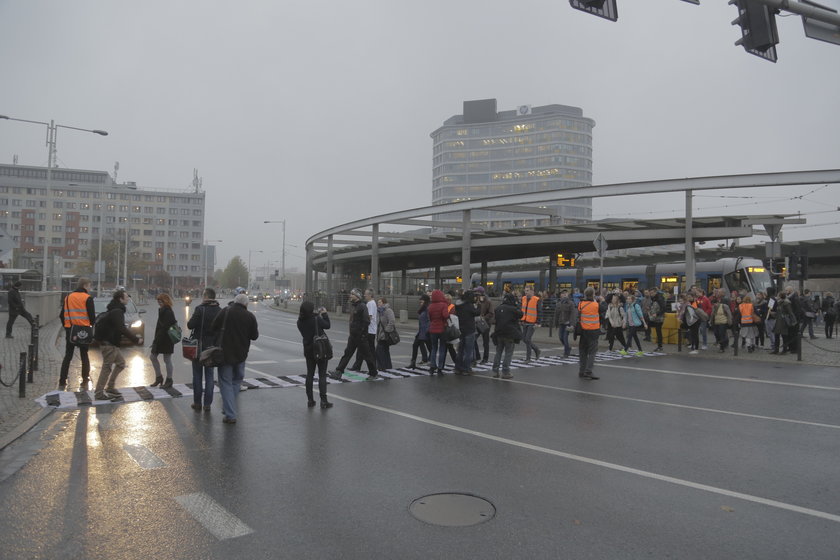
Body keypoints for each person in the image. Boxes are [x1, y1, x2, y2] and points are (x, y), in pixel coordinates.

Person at [212, 293, 259, 423]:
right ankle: (228, 408)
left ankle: (230, 413)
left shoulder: (226, 311)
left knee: (225, 382)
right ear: (246, 304)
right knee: (236, 382)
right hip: (241, 355)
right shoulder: (250, 316)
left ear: (235, 301)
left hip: (224, 354)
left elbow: (213, 326)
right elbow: (254, 336)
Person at [92, 289, 142, 401]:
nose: (128, 298)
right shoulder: (117, 311)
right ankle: (99, 393)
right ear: (120, 299)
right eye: (126, 297)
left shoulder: (115, 310)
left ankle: (110, 387)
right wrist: (135, 339)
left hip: (111, 343)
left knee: (120, 363)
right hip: (108, 344)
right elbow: (121, 328)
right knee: (107, 367)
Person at [329, 288, 378, 380]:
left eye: (352, 294)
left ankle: (373, 373)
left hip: (361, 336)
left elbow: (366, 321)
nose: (350, 296)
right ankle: (339, 371)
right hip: (353, 336)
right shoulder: (354, 306)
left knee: (367, 355)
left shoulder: (362, 306)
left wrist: (362, 333)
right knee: (347, 353)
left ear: (357, 296)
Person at [187, 288, 222, 411]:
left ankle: (197, 403)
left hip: (199, 348)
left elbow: (190, 325)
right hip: (213, 348)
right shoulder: (219, 310)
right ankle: (207, 404)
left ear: (206, 296)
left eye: (203, 295)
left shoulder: (200, 309)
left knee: (197, 375)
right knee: (209, 376)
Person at [59, 277, 96, 389]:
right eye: (89, 285)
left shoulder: (68, 297)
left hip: (71, 331)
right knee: (84, 356)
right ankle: (85, 380)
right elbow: (92, 318)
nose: (90, 288)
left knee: (68, 356)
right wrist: (89, 326)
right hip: (83, 331)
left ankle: (62, 380)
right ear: (85, 285)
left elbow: (61, 315)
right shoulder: (88, 298)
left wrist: (67, 327)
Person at [297, 301, 333, 409]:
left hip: (308, 350)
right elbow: (327, 325)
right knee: (322, 375)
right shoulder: (316, 319)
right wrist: (324, 314)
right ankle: (324, 401)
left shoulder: (299, 321)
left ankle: (310, 400)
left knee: (310, 375)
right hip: (320, 349)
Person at [491, 292, 523, 379]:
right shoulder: (513, 308)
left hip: (499, 333)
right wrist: (517, 305)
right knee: (508, 353)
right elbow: (521, 315)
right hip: (510, 334)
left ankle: (495, 371)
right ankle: (505, 372)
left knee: (498, 352)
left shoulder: (498, 308)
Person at [150, 293, 178, 388]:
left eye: (161, 301)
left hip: (166, 339)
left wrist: (156, 340)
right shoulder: (162, 310)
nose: (159, 303)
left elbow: (164, 328)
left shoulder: (168, 312)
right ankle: (159, 377)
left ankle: (169, 379)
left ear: (165, 301)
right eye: (158, 301)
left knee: (167, 359)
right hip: (161, 338)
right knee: (153, 357)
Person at [350, 288, 378, 372]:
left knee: (368, 351)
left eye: (366, 294)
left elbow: (368, 317)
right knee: (362, 349)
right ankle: (357, 366)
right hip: (370, 330)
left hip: (369, 330)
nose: (364, 295)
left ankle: (373, 368)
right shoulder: (371, 303)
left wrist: (361, 325)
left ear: (370, 295)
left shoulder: (370, 304)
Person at [577, 287, 601, 380]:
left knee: (582, 351)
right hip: (593, 331)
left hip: (583, 330)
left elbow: (579, 314)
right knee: (592, 352)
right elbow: (603, 308)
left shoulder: (580, 304)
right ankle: (588, 371)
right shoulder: (596, 305)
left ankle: (581, 371)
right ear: (593, 295)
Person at [426, 289, 450, 375]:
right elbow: (445, 315)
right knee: (442, 348)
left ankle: (432, 366)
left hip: (432, 329)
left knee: (434, 348)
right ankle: (440, 368)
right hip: (442, 329)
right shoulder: (444, 305)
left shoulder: (430, 306)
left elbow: (430, 318)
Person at [408, 293, 431, 369]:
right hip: (421, 332)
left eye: (422, 302)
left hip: (426, 332)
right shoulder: (423, 309)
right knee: (415, 345)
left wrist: (428, 330)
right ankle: (413, 362)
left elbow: (429, 321)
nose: (420, 303)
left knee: (430, 348)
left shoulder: (428, 309)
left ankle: (432, 362)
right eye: (420, 302)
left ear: (426, 302)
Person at [520, 286, 541, 362]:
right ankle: (536, 349)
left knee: (527, 339)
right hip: (525, 321)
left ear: (532, 291)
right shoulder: (523, 298)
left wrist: (538, 322)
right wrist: (521, 319)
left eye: (528, 291)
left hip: (532, 322)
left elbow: (539, 311)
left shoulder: (536, 300)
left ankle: (528, 358)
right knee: (524, 339)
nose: (526, 292)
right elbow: (522, 309)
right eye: (525, 291)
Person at [553, 289, 576, 358]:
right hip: (561, 323)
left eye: (566, 293)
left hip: (567, 324)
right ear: (561, 295)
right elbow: (556, 314)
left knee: (565, 338)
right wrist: (556, 324)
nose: (564, 294)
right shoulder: (559, 304)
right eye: (563, 293)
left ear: (568, 295)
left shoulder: (571, 303)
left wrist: (572, 324)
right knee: (561, 337)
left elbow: (573, 314)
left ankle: (566, 353)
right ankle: (568, 348)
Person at [375, 296, 396, 370]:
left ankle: (381, 367)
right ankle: (387, 366)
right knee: (385, 351)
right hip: (381, 334)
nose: (378, 304)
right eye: (378, 302)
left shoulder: (388, 310)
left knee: (378, 351)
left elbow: (392, 321)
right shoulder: (380, 311)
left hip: (385, 335)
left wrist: (387, 330)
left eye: (380, 302)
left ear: (384, 303)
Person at [474, 287, 494, 364]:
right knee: (473, 339)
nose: (476, 295)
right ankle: (477, 356)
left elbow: (491, 313)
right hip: (478, 322)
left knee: (485, 342)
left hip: (485, 323)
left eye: (477, 293)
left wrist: (483, 318)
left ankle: (485, 358)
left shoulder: (487, 301)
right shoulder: (476, 301)